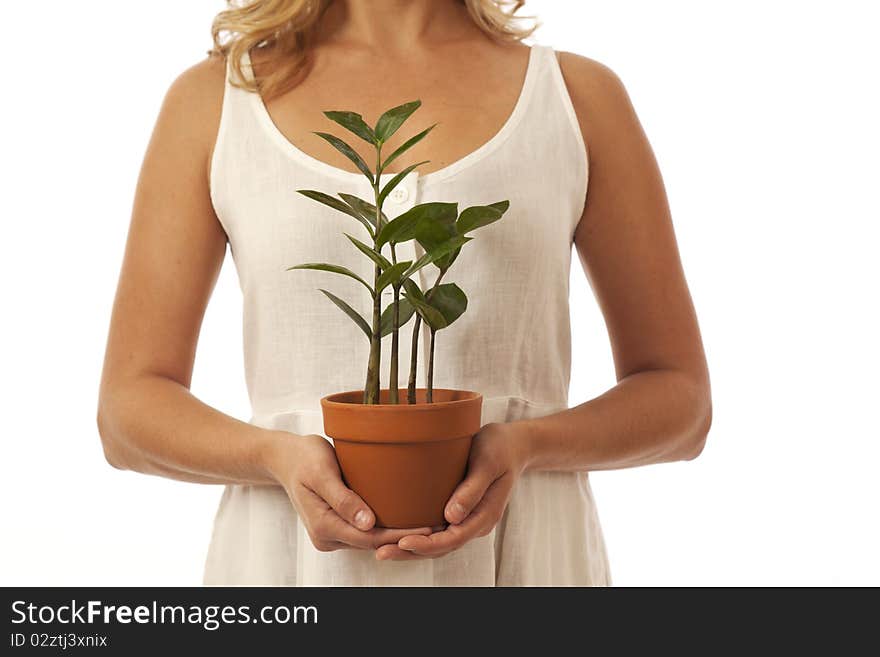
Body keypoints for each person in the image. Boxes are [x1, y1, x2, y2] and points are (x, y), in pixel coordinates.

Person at [97, 0, 711, 586]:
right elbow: (128, 412)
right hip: (289, 570)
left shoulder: (577, 98)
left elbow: (680, 401)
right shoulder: (215, 101)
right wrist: (272, 456)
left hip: (528, 563)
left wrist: (527, 445)